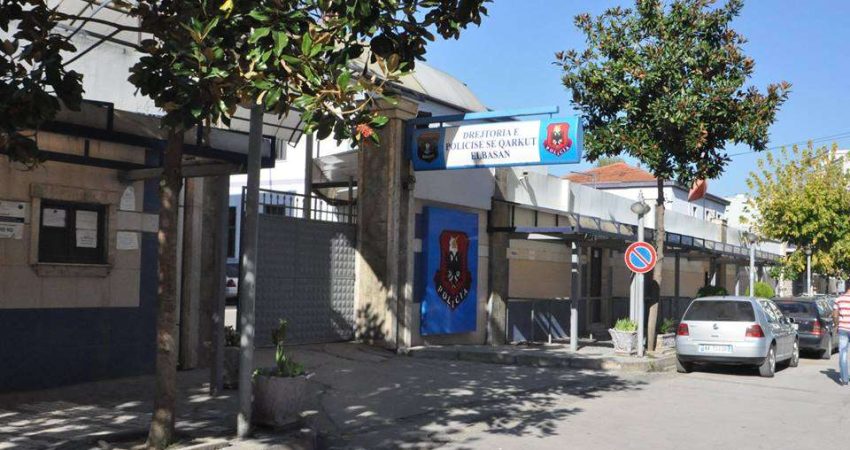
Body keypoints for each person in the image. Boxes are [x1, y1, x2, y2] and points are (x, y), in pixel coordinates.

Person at [833, 287, 850, 385]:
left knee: (843, 353)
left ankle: (844, 378)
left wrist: (836, 325)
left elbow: (835, 315)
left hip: (843, 329)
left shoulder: (839, 299)